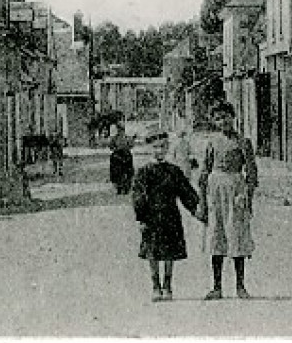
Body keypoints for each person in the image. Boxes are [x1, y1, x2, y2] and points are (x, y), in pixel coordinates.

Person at [130, 134, 204, 301]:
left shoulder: (174, 171)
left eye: (163, 147)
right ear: (150, 149)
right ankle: (155, 286)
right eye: (156, 147)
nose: (159, 151)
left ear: (168, 148)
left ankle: (168, 285)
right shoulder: (144, 172)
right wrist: (141, 218)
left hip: (171, 216)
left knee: (170, 252)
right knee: (152, 252)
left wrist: (195, 210)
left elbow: (185, 192)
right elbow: (138, 196)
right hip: (151, 217)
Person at [198, 101, 259, 300]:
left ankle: (240, 286)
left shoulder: (243, 142)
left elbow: (251, 173)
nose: (223, 121)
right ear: (213, 121)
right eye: (218, 118)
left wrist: (247, 196)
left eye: (226, 116)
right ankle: (217, 287)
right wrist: (203, 202)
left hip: (235, 189)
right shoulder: (212, 142)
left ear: (233, 117)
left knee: (237, 236)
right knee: (217, 236)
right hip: (216, 190)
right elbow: (204, 172)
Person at [107, 123, 136, 195]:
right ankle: (122, 187)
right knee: (120, 171)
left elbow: (111, 146)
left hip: (121, 155)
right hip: (121, 155)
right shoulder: (125, 137)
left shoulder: (115, 138)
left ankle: (122, 187)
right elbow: (131, 145)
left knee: (123, 171)